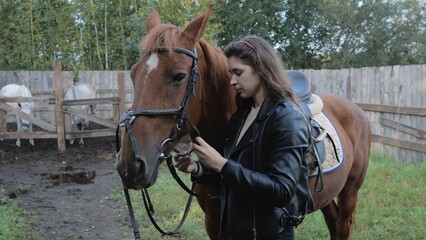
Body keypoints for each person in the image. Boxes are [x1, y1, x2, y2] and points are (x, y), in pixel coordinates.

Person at [175, 35, 313, 240]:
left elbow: (282, 191)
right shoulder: (242, 115)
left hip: (269, 233)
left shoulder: (287, 118)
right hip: (239, 230)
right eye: (231, 73)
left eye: (238, 73)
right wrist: (199, 169)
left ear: (261, 69)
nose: (232, 81)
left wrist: (222, 164)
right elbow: (240, 172)